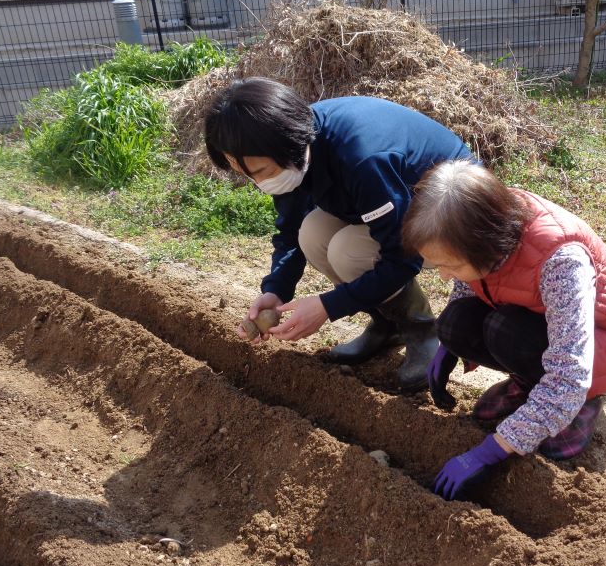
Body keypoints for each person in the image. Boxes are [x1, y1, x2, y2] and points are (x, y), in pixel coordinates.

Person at [401, 161, 606, 500]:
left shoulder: (561, 260)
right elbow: (471, 283)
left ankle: (583, 405)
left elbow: (568, 375)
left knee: (505, 331)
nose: (445, 275)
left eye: (451, 265)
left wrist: (490, 451)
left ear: (486, 245)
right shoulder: (487, 225)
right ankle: (530, 384)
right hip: (543, 324)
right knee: (454, 323)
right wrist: (449, 346)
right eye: (438, 265)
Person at [204, 78, 476, 390]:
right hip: (394, 208)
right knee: (312, 233)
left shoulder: (361, 157)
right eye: (247, 175)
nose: (260, 183)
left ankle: (422, 330)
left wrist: (328, 306)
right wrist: (276, 290)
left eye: (263, 172)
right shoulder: (293, 148)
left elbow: (403, 257)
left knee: (347, 251)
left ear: (287, 146)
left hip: (452, 214)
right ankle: (388, 327)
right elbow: (290, 232)